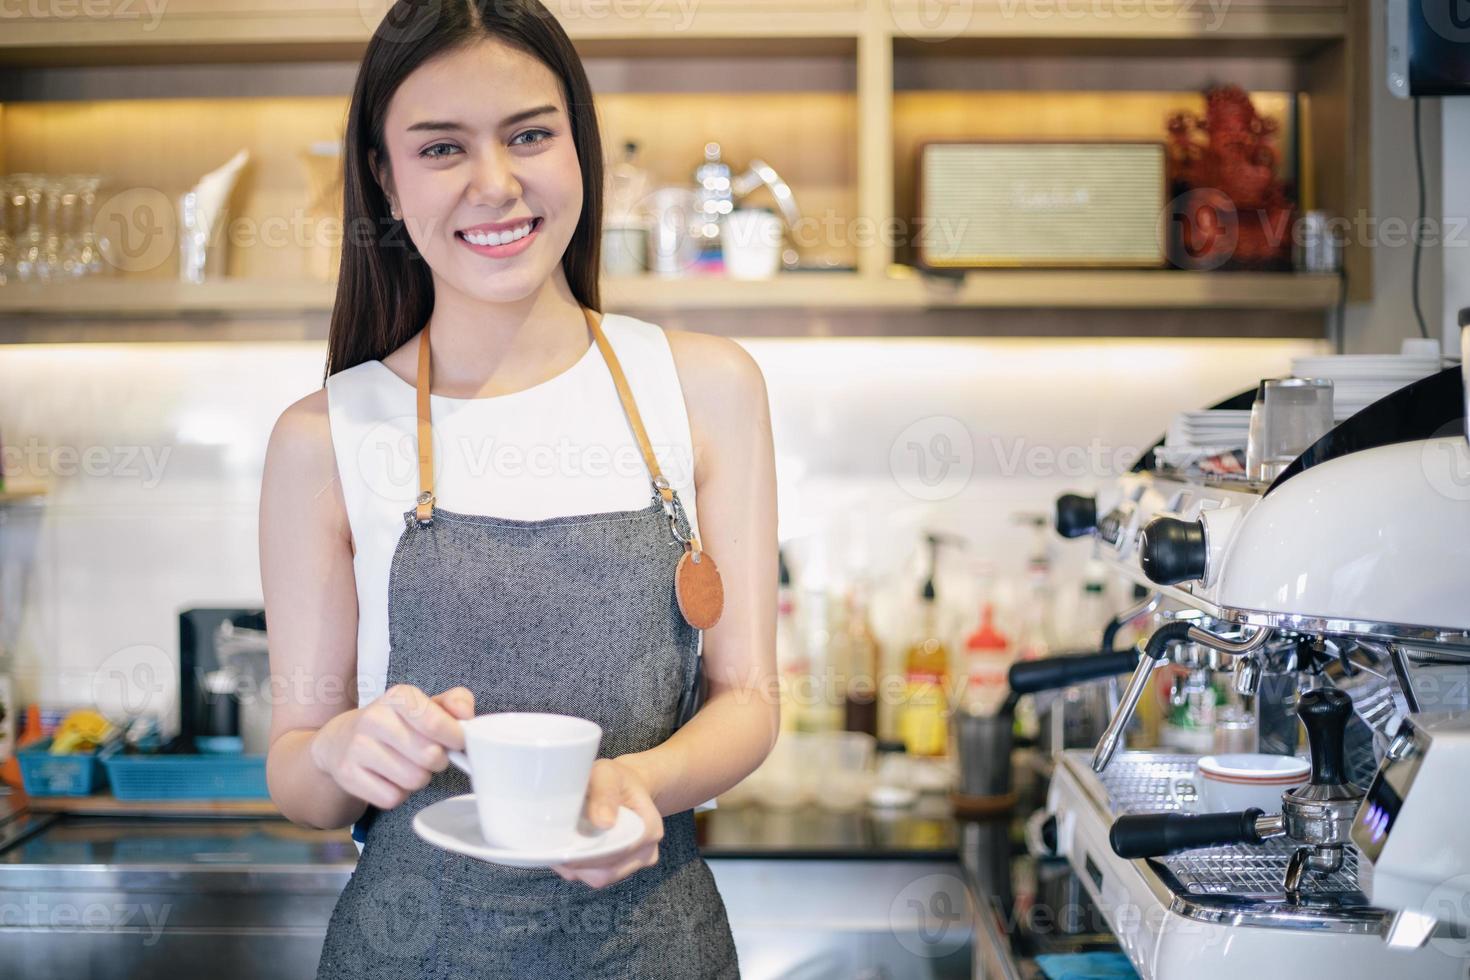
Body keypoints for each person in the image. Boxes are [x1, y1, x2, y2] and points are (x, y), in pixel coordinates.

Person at [258, 2, 778, 975]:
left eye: (530, 135)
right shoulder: (323, 436)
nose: (495, 185)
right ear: (384, 174)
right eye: (441, 147)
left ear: (578, 145)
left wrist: (639, 782)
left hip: (655, 948)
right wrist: (335, 752)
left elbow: (749, 697)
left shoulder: (706, 389)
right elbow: (297, 765)